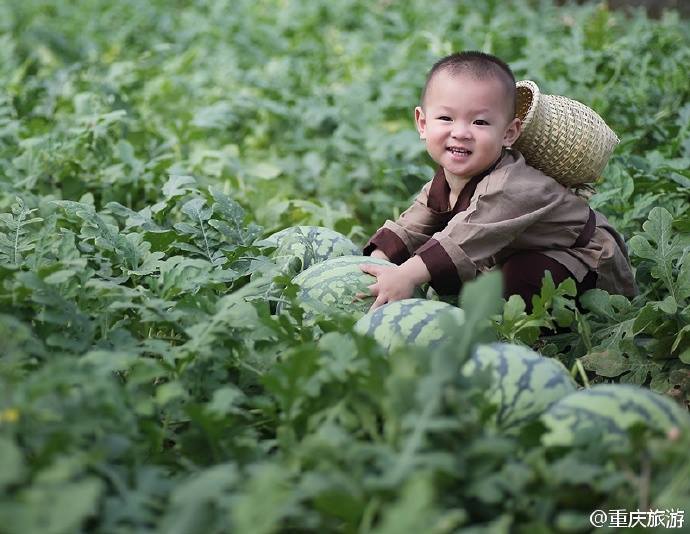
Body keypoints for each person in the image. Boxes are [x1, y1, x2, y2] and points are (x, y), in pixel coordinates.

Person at [360, 51, 637, 312]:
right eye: (446, 118)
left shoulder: (508, 186)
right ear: (422, 123)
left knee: (517, 278)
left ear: (508, 133)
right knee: (449, 267)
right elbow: (415, 223)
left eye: (480, 123)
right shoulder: (447, 179)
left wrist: (406, 275)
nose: (460, 132)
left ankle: (539, 335)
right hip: (524, 251)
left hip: (586, 260)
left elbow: (462, 239)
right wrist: (379, 260)